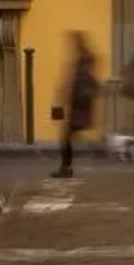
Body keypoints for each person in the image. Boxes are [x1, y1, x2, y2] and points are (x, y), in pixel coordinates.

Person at [57, 31, 99, 179]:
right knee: (68, 137)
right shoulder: (83, 58)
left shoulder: (84, 58)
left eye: (73, 42)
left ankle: (66, 168)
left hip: (80, 105)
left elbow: (83, 79)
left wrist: (69, 92)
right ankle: (66, 167)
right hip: (78, 105)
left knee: (66, 138)